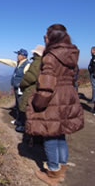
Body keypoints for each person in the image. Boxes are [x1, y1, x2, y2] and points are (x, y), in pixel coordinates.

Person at [25, 24, 84, 186]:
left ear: (53, 37)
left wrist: (37, 104)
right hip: (68, 95)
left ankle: (52, 173)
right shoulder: (71, 55)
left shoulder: (50, 56)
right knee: (60, 133)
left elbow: (46, 86)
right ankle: (61, 169)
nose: (44, 37)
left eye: (47, 35)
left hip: (54, 98)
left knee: (49, 135)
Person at [0, 49, 30, 124]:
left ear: (23, 56)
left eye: (18, 54)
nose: (17, 56)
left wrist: (23, 86)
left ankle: (21, 122)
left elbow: (28, 78)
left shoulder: (27, 65)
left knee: (21, 104)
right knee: (18, 104)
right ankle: (19, 120)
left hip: (21, 89)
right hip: (17, 88)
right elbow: (9, 62)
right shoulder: (19, 63)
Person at [15, 44, 45, 133]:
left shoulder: (36, 63)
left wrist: (22, 85)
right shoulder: (44, 62)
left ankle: (25, 126)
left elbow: (30, 77)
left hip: (31, 88)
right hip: (38, 89)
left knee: (25, 107)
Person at [88, 46, 95, 113]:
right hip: (92, 73)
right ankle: (93, 99)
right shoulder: (93, 57)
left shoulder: (94, 57)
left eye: (91, 50)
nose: (90, 51)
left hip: (93, 74)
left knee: (94, 87)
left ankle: (93, 99)